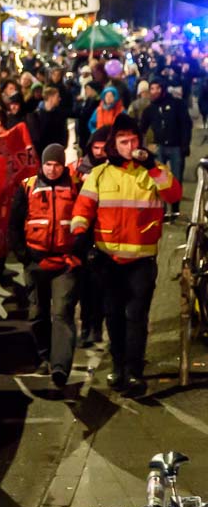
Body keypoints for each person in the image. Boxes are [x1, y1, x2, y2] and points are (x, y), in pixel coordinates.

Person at [71, 115, 181, 396]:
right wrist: (80, 236)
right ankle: (118, 366)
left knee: (137, 316)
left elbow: (173, 193)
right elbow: (83, 208)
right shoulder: (100, 174)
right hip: (108, 260)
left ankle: (134, 372)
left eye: (133, 140)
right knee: (114, 315)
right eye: (123, 141)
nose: (130, 145)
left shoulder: (151, 170)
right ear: (113, 145)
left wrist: (152, 166)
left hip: (142, 260)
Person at [10, 143, 82, 388]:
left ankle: (60, 367)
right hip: (36, 262)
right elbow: (14, 224)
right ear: (41, 164)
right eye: (48, 164)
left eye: (57, 164)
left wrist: (77, 254)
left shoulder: (75, 187)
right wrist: (24, 257)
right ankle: (45, 356)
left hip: (64, 263)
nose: (52, 169)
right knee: (37, 315)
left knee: (62, 313)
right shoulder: (27, 187)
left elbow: (85, 222)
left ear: (63, 165)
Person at [139, 78, 192, 217]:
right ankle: (161, 210)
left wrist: (185, 144)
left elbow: (186, 125)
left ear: (162, 89)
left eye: (157, 88)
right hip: (159, 147)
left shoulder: (177, 104)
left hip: (176, 147)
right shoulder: (150, 109)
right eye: (152, 89)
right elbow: (141, 128)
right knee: (159, 180)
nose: (154, 91)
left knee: (176, 179)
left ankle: (175, 209)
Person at [27, 87, 69, 153]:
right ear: (50, 98)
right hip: (42, 154)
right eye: (57, 96)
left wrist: (62, 147)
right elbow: (35, 138)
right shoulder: (36, 116)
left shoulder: (60, 114)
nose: (59, 99)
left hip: (56, 152)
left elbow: (64, 132)